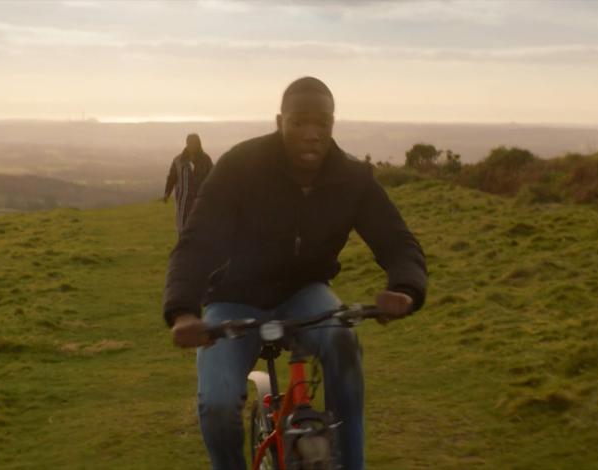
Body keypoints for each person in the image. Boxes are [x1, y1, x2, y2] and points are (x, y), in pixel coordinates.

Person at [163, 77, 427, 470]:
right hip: (232, 299)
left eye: (322, 123)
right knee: (217, 404)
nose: (312, 134)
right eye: (299, 122)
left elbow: (397, 241)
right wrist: (183, 310)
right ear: (279, 121)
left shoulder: (353, 177)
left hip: (306, 294)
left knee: (343, 346)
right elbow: (198, 241)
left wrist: (404, 288)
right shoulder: (240, 166)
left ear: (333, 124)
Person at [164, 133, 214, 232]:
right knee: (182, 228)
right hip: (183, 202)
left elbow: (212, 177)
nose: (191, 145)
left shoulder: (206, 160)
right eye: (189, 143)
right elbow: (172, 177)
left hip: (200, 201)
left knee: (199, 228)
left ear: (198, 144)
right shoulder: (178, 160)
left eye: (194, 143)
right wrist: (167, 193)